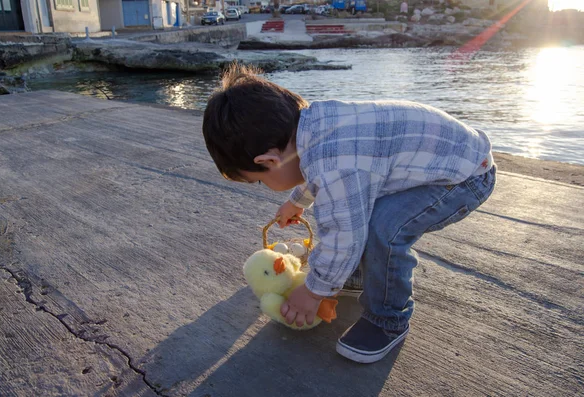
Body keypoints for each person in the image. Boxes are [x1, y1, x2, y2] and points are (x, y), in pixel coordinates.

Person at [202, 64, 496, 364]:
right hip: (443, 160)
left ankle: (388, 319)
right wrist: (298, 201)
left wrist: (313, 291)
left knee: (385, 228)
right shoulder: (314, 125)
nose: (266, 186)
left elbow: (344, 234)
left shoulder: (334, 165)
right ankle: (354, 277)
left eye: (260, 180)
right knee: (357, 204)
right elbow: (318, 169)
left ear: (269, 160)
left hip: (465, 177)